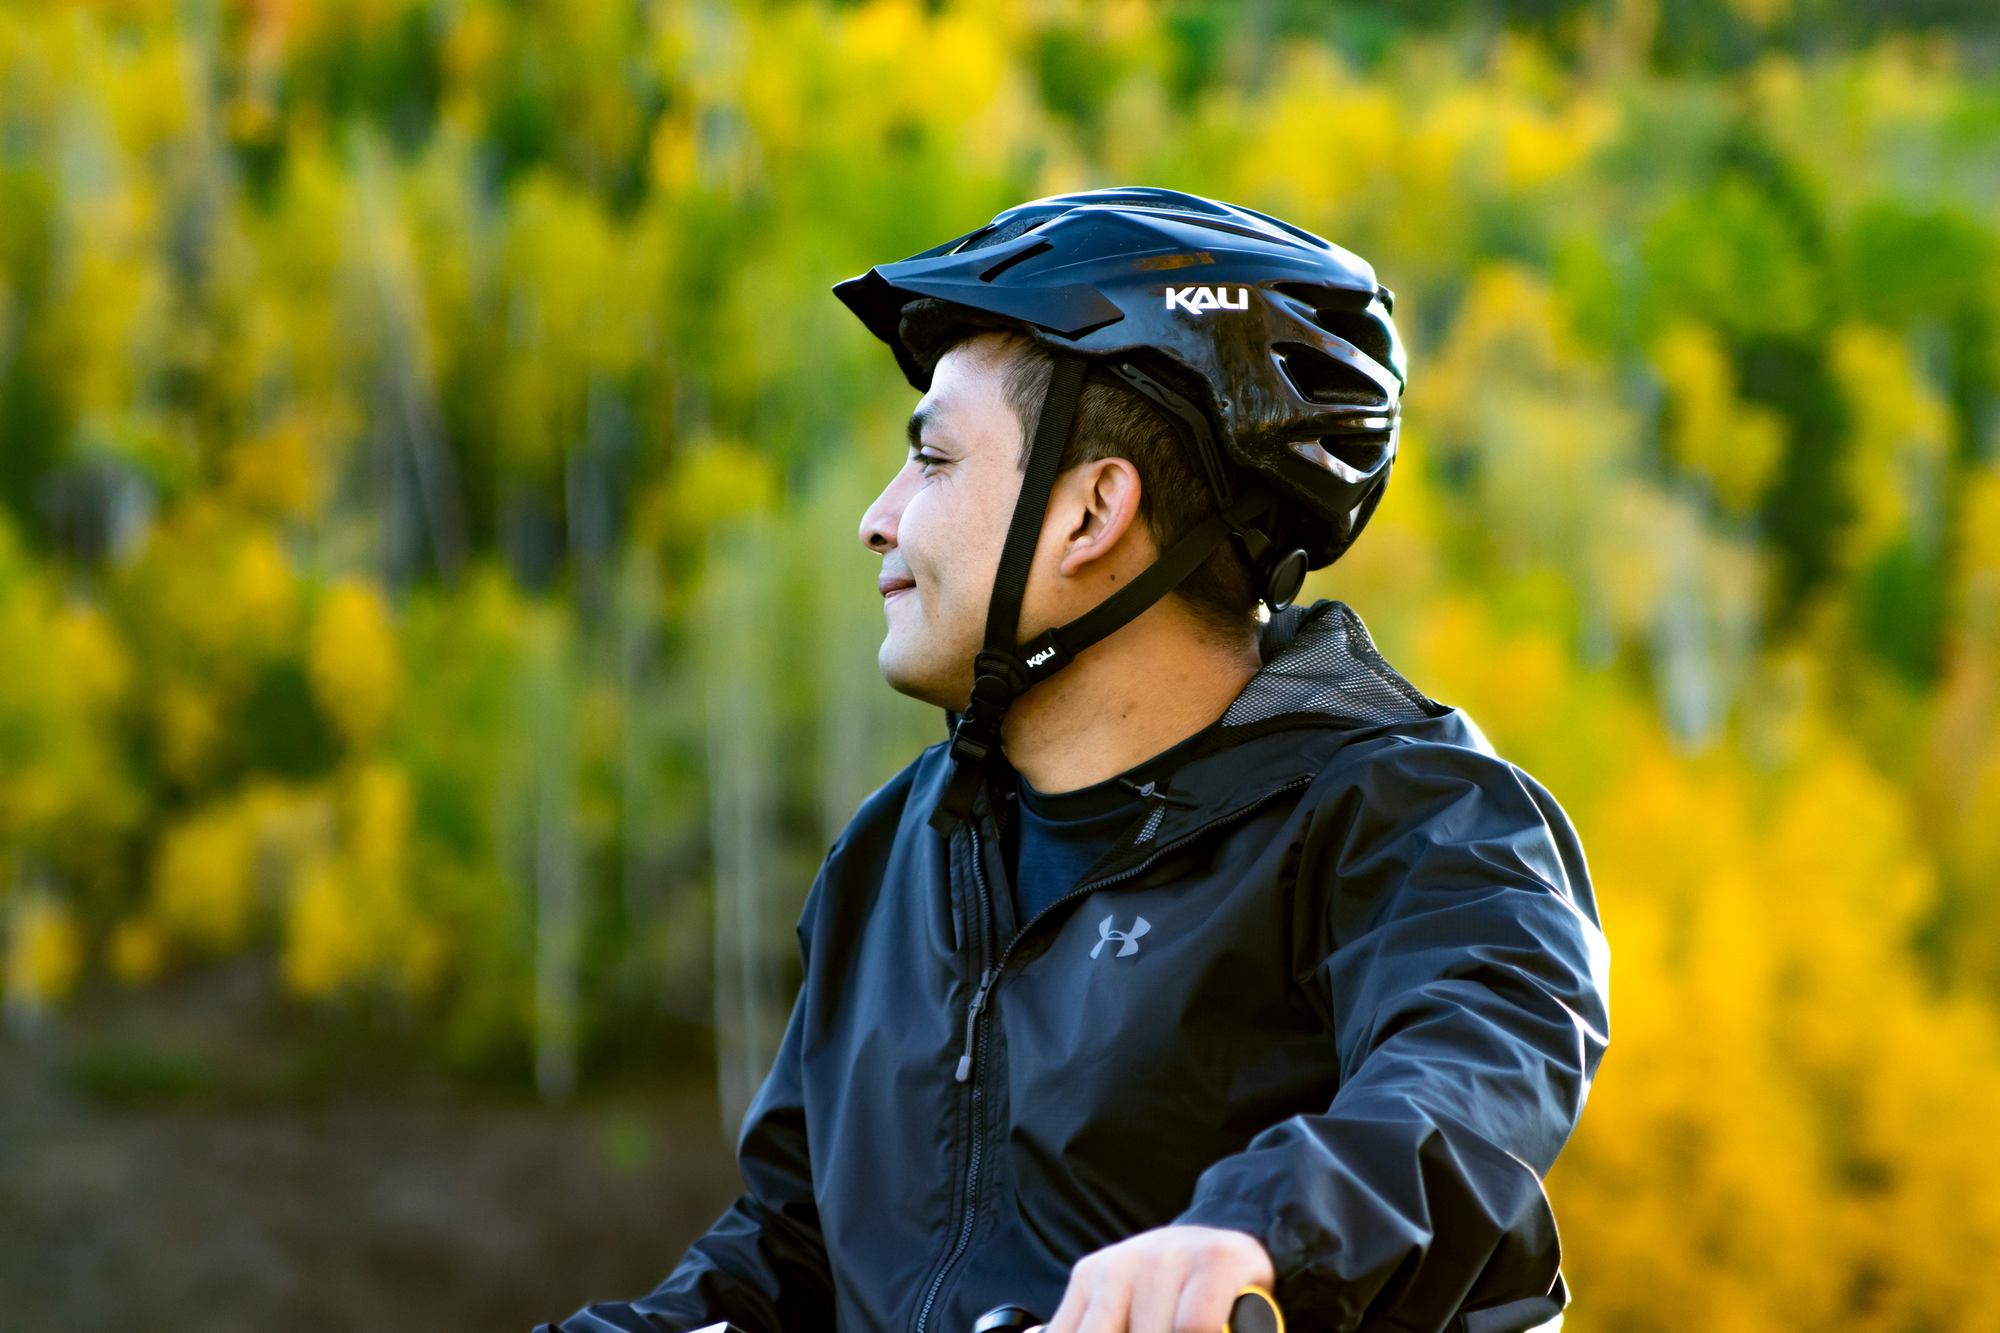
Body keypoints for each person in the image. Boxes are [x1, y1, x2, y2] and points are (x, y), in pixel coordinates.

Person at [542, 188, 1609, 1333]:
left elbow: (1480, 1048)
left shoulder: (1404, 811)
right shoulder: (894, 856)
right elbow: (791, 1253)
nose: (878, 517)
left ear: (1092, 512)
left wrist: (1251, 1234)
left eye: (933, 463)